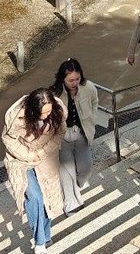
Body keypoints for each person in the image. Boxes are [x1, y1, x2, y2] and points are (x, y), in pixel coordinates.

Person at [2, 88, 66, 254]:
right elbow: (9, 140)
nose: (45, 115)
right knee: (34, 197)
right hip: (20, 159)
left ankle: (45, 235)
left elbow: (60, 134)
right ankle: (39, 241)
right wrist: (30, 155)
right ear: (32, 110)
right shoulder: (17, 116)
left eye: (48, 111)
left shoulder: (58, 111)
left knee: (47, 198)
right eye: (42, 112)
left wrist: (42, 152)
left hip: (46, 157)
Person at [51, 59, 98, 214]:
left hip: (81, 132)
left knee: (86, 167)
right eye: (70, 80)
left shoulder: (88, 87)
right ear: (62, 79)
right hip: (62, 136)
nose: (74, 83)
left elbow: (94, 102)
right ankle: (70, 202)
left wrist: (92, 119)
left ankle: (76, 188)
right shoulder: (54, 94)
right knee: (66, 170)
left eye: (77, 79)